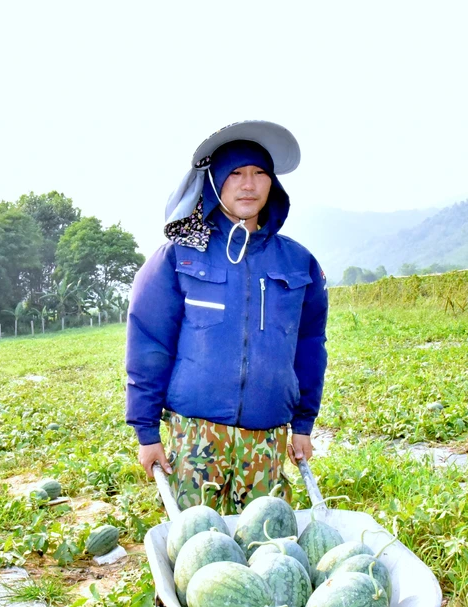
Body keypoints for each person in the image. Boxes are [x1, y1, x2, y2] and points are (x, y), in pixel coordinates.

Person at [125, 120, 329, 514]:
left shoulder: (299, 262)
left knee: (267, 549)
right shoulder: (178, 257)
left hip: (268, 437)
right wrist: (146, 432)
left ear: (273, 184)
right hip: (196, 435)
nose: (248, 184)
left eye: (259, 173)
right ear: (215, 184)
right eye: (235, 173)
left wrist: (303, 425)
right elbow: (149, 344)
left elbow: (309, 347)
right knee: (199, 552)